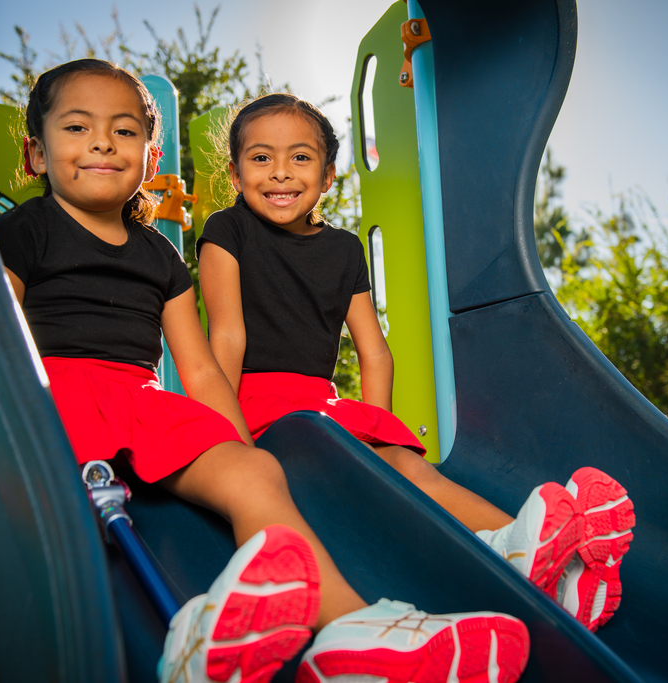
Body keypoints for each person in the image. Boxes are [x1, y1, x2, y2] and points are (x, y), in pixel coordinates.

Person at [0, 59, 531, 683]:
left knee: (253, 471)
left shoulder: (161, 256)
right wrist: (14, 420)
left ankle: (348, 634)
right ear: (35, 153)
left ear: (150, 154)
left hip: (141, 403)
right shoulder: (22, 231)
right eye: (78, 127)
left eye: (124, 130)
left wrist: (240, 449)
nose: (102, 143)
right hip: (49, 390)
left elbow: (196, 366)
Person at [197, 93, 636, 633]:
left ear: (329, 174)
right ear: (237, 174)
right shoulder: (227, 230)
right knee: (399, 465)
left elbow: (374, 351)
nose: (280, 172)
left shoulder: (342, 249)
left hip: (320, 408)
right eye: (261, 158)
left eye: (301, 157)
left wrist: (373, 433)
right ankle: (538, 553)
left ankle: (544, 557)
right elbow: (227, 338)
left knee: (409, 468)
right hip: (256, 407)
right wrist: (230, 437)